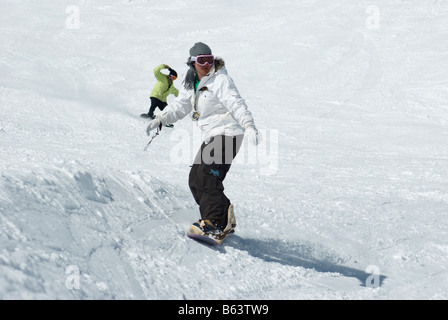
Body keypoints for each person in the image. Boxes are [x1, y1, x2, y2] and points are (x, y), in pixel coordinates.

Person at [145, 42, 261, 238]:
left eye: (210, 59)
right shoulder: (190, 82)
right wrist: (161, 118)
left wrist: (249, 125)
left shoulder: (220, 80)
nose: (207, 64)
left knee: (208, 176)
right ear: (192, 62)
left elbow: (235, 102)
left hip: (228, 133)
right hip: (213, 135)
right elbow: (181, 106)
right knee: (195, 180)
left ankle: (214, 223)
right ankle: (223, 217)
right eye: (201, 60)